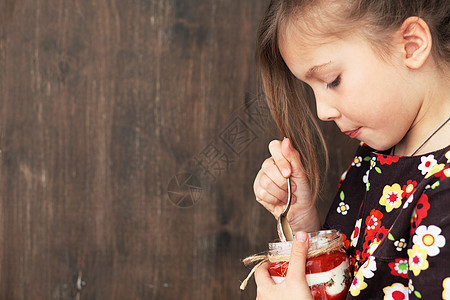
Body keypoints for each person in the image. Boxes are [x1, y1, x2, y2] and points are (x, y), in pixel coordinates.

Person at [252, 0, 450, 299]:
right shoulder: (376, 152)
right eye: (311, 88)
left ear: (411, 45)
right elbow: (353, 279)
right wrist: (304, 225)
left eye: (332, 80)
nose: (322, 111)